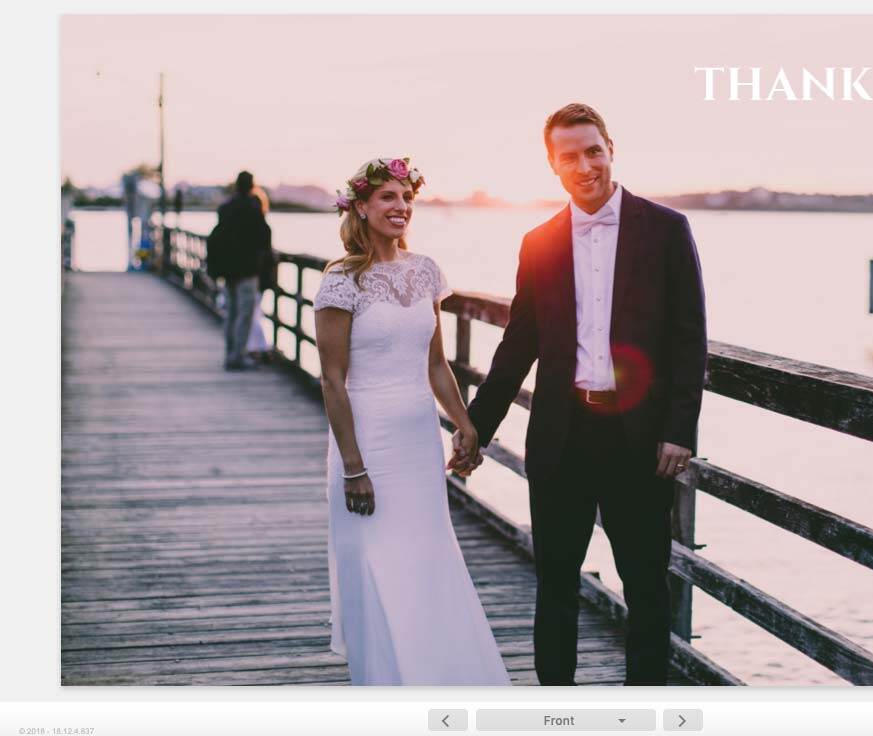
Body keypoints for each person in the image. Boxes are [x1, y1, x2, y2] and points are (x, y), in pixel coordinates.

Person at [460, 104, 708, 686]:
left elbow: (688, 338)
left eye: (592, 150)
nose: (584, 165)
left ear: (611, 149)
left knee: (646, 589)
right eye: (569, 156)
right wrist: (474, 429)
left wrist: (680, 429)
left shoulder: (666, 229)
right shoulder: (538, 242)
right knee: (556, 587)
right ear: (553, 165)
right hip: (561, 437)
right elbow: (516, 348)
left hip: (641, 442)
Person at [312, 157, 509, 686]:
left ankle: (434, 678)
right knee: (376, 564)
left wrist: (464, 424)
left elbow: (435, 362)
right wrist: (353, 466)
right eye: (387, 198)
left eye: (407, 199)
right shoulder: (340, 281)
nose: (400, 208)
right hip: (366, 441)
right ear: (361, 206)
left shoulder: (425, 271)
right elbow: (332, 380)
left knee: (423, 559)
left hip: (418, 438)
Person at [214, 171, 272, 370]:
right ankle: (238, 356)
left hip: (228, 269)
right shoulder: (253, 207)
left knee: (231, 312)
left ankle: (230, 353)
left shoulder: (226, 207)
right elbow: (264, 238)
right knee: (245, 313)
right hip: (248, 269)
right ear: (251, 185)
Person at [245, 185, 275, 362]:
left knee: (253, 312)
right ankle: (260, 347)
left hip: (252, 275)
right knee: (256, 311)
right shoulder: (264, 226)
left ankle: (259, 347)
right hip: (263, 276)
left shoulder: (249, 226)